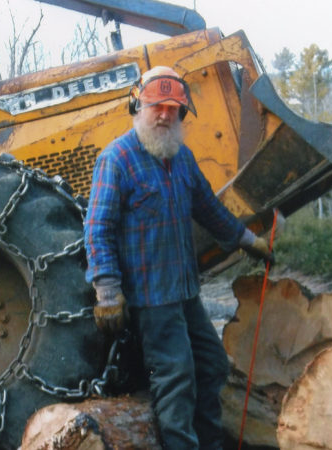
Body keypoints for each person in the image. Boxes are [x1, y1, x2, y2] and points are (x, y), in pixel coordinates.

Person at [84, 66, 271, 450]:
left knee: (212, 364)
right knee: (176, 376)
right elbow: (97, 229)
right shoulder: (116, 160)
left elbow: (209, 209)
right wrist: (106, 289)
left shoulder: (181, 158)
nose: (166, 115)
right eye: (157, 107)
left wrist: (248, 239)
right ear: (138, 107)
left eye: (173, 108)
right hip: (151, 299)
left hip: (185, 292)